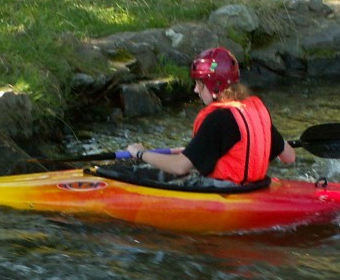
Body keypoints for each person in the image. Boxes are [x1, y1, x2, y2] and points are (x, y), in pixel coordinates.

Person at [125, 47, 296, 185]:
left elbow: (180, 167)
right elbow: (289, 157)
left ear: (215, 86)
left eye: (200, 84)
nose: (196, 90)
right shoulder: (254, 112)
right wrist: (198, 151)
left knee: (141, 172)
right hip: (254, 188)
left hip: (223, 191)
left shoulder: (218, 118)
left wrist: (140, 153)